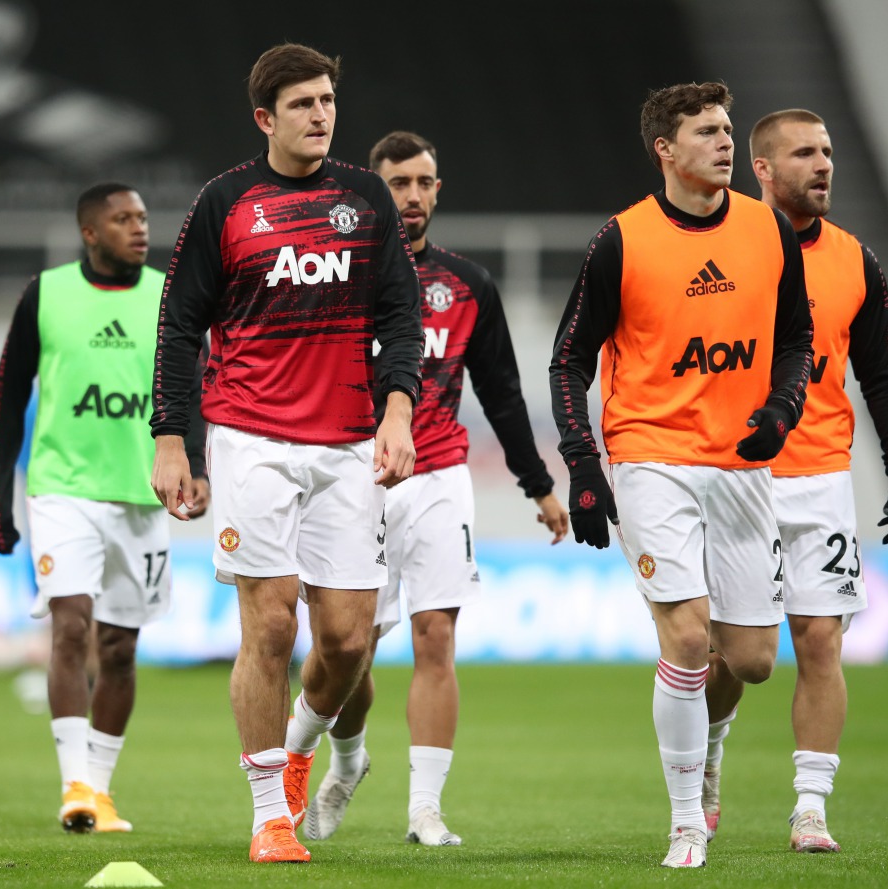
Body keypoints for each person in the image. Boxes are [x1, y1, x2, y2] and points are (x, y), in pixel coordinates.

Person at [148, 44, 424, 864]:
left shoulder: (364, 199)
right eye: (303, 103)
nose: (320, 114)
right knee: (270, 623)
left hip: (347, 442)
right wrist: (173, 440)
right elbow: (180, 326)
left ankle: (301, 745)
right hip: (251, 436)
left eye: (328, 100)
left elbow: (400, 318)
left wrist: (398, 411)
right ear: (265, 118)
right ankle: (270, 814)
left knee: (347, 641)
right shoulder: (226, 202)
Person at [548, 82, 814, 868]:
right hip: (650, 454)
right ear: (665, 149)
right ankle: (686, 821)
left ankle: (712, 742)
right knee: (690, 636)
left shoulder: (768, 228)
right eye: (707, 132)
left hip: (740, 462)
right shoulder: (621, 240)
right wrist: (583, 463)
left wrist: (782, 407)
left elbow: (796, 339)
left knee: (752, 660)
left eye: (728, 130)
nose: (726, 142)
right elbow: (568, 361)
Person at [301, 131, 570, 847]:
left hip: (438, 474)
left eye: (424, 182)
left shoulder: (468, 285)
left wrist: (540, 486)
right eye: (399, 183)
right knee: (345, 648)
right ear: (372, 190)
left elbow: (502, 394)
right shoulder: (336, 274)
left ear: (438, 189)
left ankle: (425, 809)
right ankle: (345, 761)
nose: (413, 196)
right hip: (352, 475)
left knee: (435, 635)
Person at [701, 109, 888, 854]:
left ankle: (811, 809)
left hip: (823, 474)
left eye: (826, 151)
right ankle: (710, 751)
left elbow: (881, 372)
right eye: (803, 153)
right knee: (740, 657)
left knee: (821, 639)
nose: (823, 164)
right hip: (738, 474)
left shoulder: (856, 261)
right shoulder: (722, 248)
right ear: (762, 169)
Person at [0, 181, 210, 834]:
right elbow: (7, 397)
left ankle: (101, 790)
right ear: (90, 232)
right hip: (62, 490)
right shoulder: (46, 294)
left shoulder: (168, 297)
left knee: (118, 648)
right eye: (122, 219)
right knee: (71, 627)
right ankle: (74, 785)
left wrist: (196, 465)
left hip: (142, 494)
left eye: (142, 217)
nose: (140, 228)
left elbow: (193, 387)